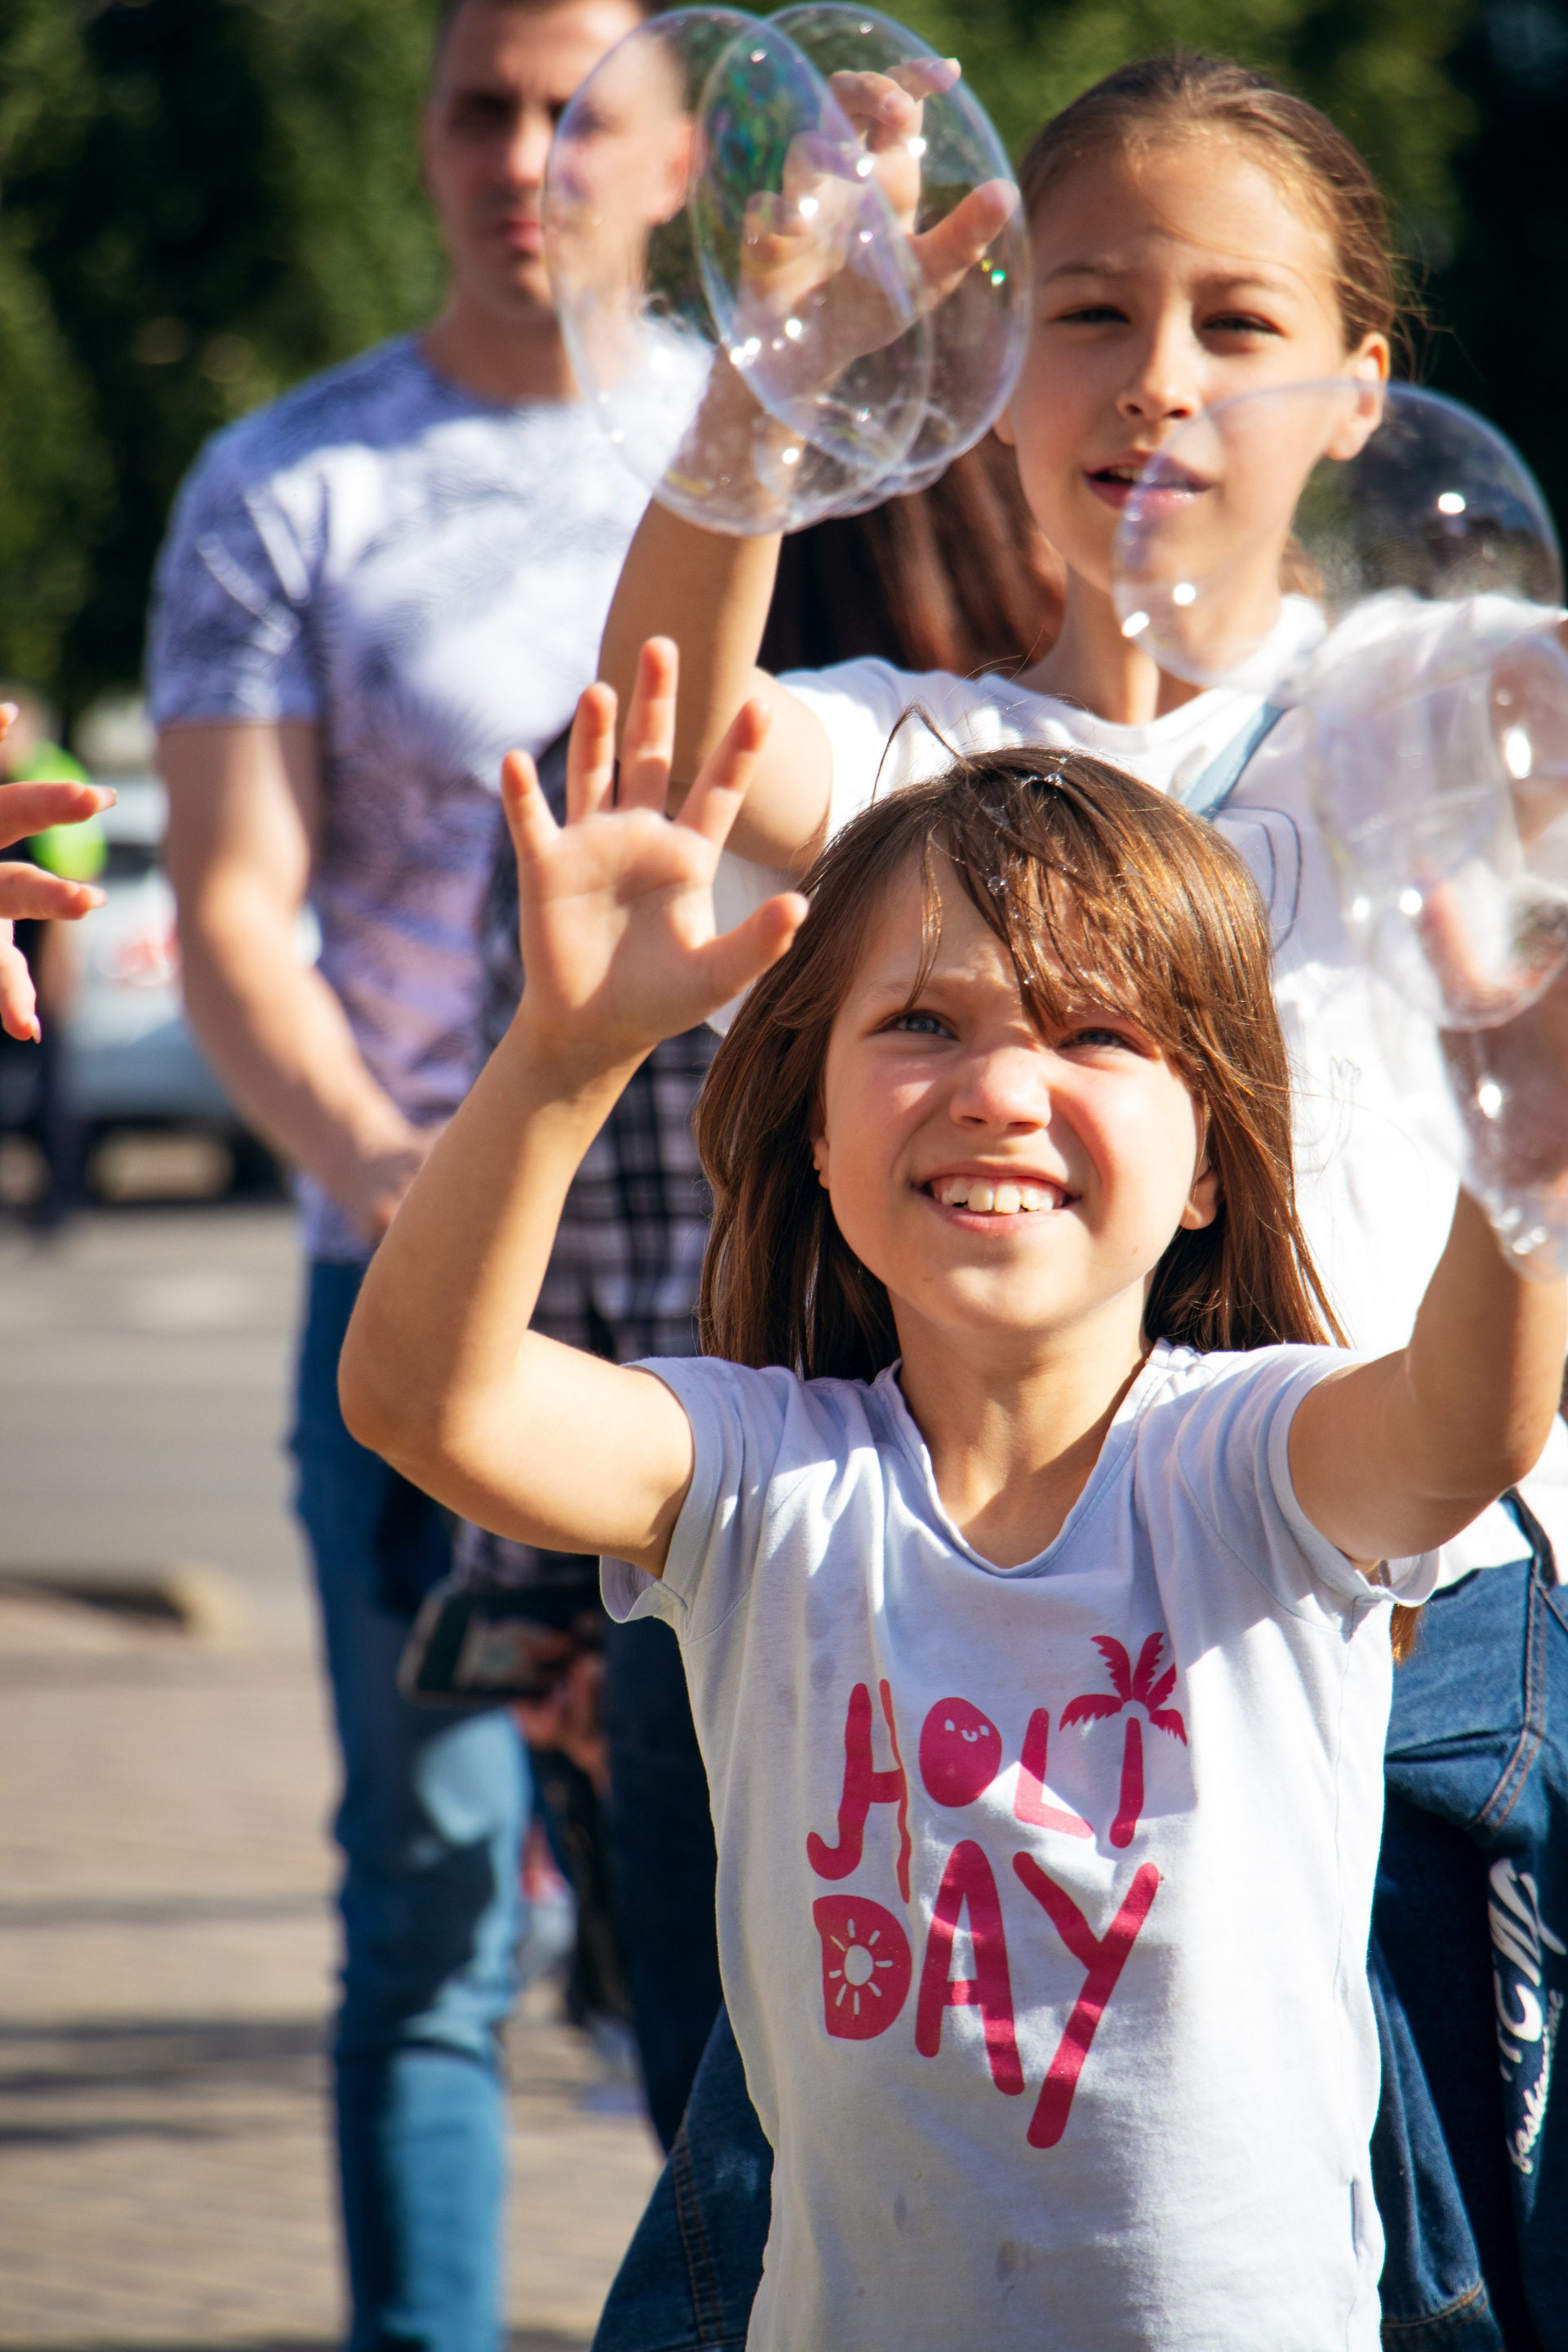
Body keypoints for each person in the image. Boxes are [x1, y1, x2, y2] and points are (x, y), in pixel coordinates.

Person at [592, 54, 1568, 2347]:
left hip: (1418, 1626)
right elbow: (659, 740)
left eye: (1240, 322)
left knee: (1422, 2251)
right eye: (1094, 311)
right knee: (866, 2200)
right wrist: (767, 389)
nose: (1160, 378)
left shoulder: (1448, 698)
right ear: (991, 368)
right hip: (943, 1632)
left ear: (1364, 394)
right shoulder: (920, 747)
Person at [336, 662, 1566, 2348]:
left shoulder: (1252, 1461)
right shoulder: (761, 1477)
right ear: (814, 1131)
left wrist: (1526, 1170)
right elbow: (427, 1400)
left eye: (1097, 1034)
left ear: (1213, 1165)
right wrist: (561, 1057)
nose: (998, 1087)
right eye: (923, 1023)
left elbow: (1468, 1426)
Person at [146, 2, 652, 2344]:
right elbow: (237, 909)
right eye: (482, 107)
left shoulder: (785, 465)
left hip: (734, 1293)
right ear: (430, 137)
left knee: (758, 1907)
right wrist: (391, 1175)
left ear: (683, 151)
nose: (526, 156)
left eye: (582, 111)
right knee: (435, 1913)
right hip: (412, 1284)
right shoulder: (290, 480)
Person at [455, 428, 1062, 2152]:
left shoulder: (607, 796)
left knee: (739, 2149)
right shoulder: (1063, 803)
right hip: (972, 1482)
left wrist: (540, 1605)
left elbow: (553, 1240)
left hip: (681, 1501)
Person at [0, 699, 111, 1048]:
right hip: (19, 931)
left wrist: (61, 951)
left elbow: (74, 868)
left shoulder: (47, 775)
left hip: (39, 933)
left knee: (41, 1037)